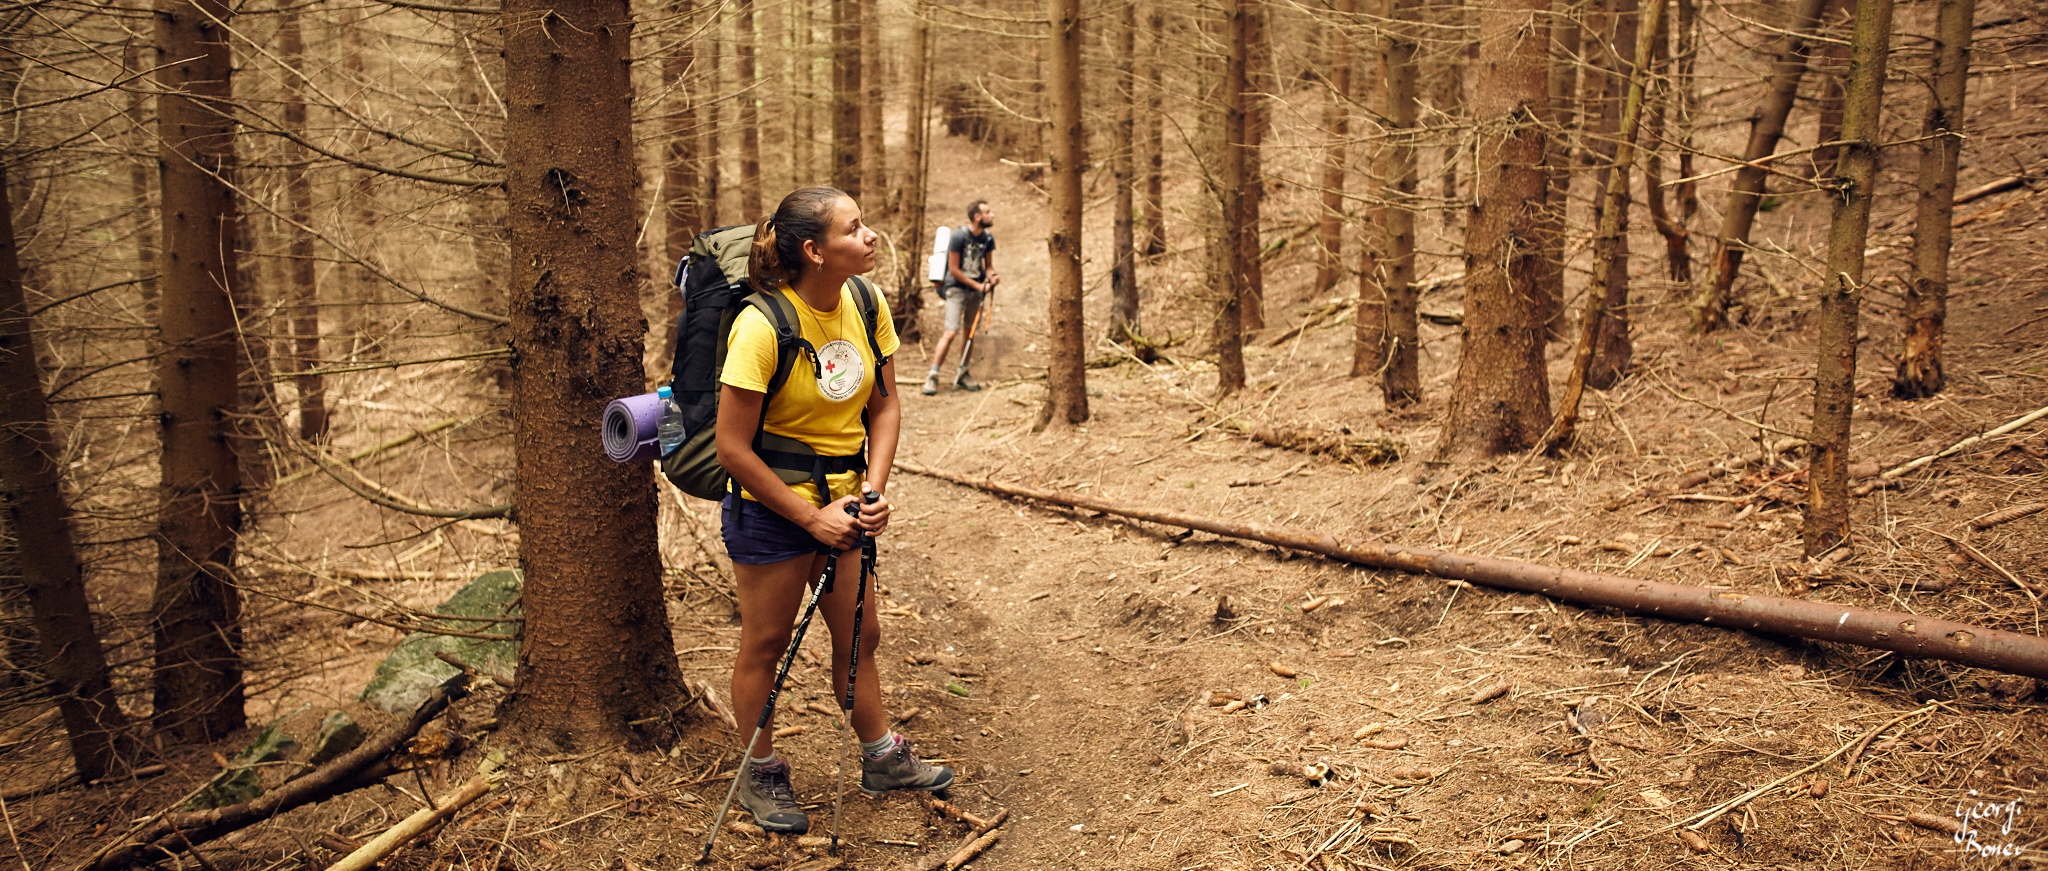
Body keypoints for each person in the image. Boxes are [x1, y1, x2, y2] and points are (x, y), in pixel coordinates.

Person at [717, 186, 953, 834]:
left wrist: (873, 489)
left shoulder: (867, 301)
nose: (871, 235)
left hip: (846, 501)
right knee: (765, 643)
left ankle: (880, 757)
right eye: (855, 228)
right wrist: (807, 516)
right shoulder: (762, 326)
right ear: (816, 251)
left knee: (860, 637)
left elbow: (883, 406)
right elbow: (731, 447)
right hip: (771, 507)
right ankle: (759, 770)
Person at [922, 199, 999, 395]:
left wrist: (993, 278)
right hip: (956, 289)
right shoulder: (958, 237)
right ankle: (933, 375)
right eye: (988, 212)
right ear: (977, 216)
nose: (992, 215)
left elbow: (988, 267)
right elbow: (954, 270)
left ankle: (963, 372)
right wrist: (978, 285)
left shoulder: (988, 238)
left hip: (976, 292)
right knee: (950, 332)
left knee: (969, 333)